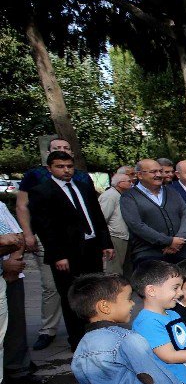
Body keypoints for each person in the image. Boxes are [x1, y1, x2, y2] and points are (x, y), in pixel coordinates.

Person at [28, 151, 115, 351]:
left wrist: (106, 243)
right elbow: (45, 227)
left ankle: (97, 332)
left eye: (69, 166)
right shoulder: (42, 191)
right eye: (60, 166)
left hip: (91, 248)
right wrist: (58, 254)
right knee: (71, 295)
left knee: (94, 291)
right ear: (49, 168)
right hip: (67, 253)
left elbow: (97, 216)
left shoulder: (83, 187)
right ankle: (77, 339)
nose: (66, 170)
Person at [16, 138, 92, 350]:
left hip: (84, 244)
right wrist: (28, 234)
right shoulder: (35, 178)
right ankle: (48, 330)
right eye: (57, 149)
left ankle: (88, 329)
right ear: (48, 159)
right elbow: (24, 207)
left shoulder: (82, 178)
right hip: (52, 242)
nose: (62, 151)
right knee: (53, 287)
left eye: (66, 149)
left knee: (88, 287)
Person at [120, 159, 186, 268]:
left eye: (160, 171)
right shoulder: (129, 197)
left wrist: (179, 240)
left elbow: (185, 214)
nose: (159, 175)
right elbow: (136, 225)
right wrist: (168, 241)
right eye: (153, 172)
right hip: (148, 255)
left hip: (179, 253)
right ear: (140, 175)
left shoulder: (172, 192)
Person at [1, 200, 33, 384]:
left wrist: (15, 260)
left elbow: (17, 238)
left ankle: (16, 368)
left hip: (11, 273)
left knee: (14, 323)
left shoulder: (0, 207)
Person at [99, 172, 133, 276]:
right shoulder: (110, 196)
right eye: (129, 181)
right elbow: (102, 218)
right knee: (114, 269)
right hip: (115, 236)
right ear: (119, 183)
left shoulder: (120, 195)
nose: (131, 184)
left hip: (124, 236)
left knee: (126, 267)